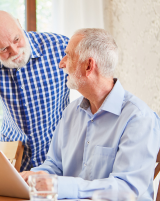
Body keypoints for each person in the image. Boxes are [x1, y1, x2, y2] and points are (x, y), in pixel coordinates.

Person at [20, 28, 160, 200]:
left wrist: (60, 186)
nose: (61, 63)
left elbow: (125, 189)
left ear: (88, 66)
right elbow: (54, 165)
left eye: (68, 56)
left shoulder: (139, 118)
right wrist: (30, 178)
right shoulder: (71, 111)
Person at [0, 10, 70, 171]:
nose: (14, 51)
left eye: (16, 39)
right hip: (14, 159)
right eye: (3, 49)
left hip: (58, 156)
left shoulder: (60, 46)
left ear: (20, 25)